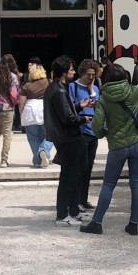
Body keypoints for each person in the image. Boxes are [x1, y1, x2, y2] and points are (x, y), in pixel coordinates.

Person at [79, 63, 138, 236]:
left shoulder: (104, 99)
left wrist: (105, 133)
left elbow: (97, 127)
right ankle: (133, 224)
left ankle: (97, 222)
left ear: (107, 79)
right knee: (137, 184)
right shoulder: (135, 91)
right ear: (124, 77)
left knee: (109, 184)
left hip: (117, 145)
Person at [44, 55, 91, 227]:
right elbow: (67, 118)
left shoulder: (57, 88)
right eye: (71, 69)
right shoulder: (59, 90)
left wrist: (80, 106)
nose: (73, 72)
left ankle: (73, 211)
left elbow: (65, 111)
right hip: (68, 138)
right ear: (64, 71)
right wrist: (83, 119)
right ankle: (62, 215)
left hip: (66, 138)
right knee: (68, 178)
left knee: (75, 175)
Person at [68, 58, 101, 209]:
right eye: (88, 74)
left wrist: (92, 90)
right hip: (80, 131)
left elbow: (99, 106)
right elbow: (70, 107)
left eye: (93, 75)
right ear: (82, 73)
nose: (91, 77)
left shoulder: (95, 88)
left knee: (88, 168)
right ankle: (75, 200)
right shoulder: (73, 87)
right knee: (80, 167)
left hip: (93, 131)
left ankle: (83, 198)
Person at [0, 54, 20, 168]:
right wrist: (15, 102)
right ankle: (4, 160)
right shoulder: (12, 76)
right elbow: (14, 94)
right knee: (7, 135)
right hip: (7, 108)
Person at [20, 59, 53, 167]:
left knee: (33, 137)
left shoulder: (26, 85)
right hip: (45, 109)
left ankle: (37, 160)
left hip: (30, 109)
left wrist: (21, 113)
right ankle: (44, 150)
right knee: (50, 135)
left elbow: (22, 102)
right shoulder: (49, 82)